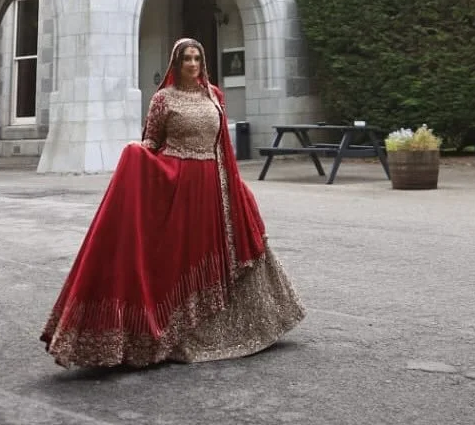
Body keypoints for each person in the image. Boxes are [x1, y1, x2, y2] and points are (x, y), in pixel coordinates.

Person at [40, 38, 305, 368]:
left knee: (220, 250)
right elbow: (150, 143)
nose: (192, 64)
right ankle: (170, 333)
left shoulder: (214, 96)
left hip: (213, 187)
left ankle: (231, 330)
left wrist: (234, 185)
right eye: (186, 59)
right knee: (181, 257)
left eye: (196, 58)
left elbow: (223, 147)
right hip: (178, 186)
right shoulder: (163, 100)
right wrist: (136, 157)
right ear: (175, 64)